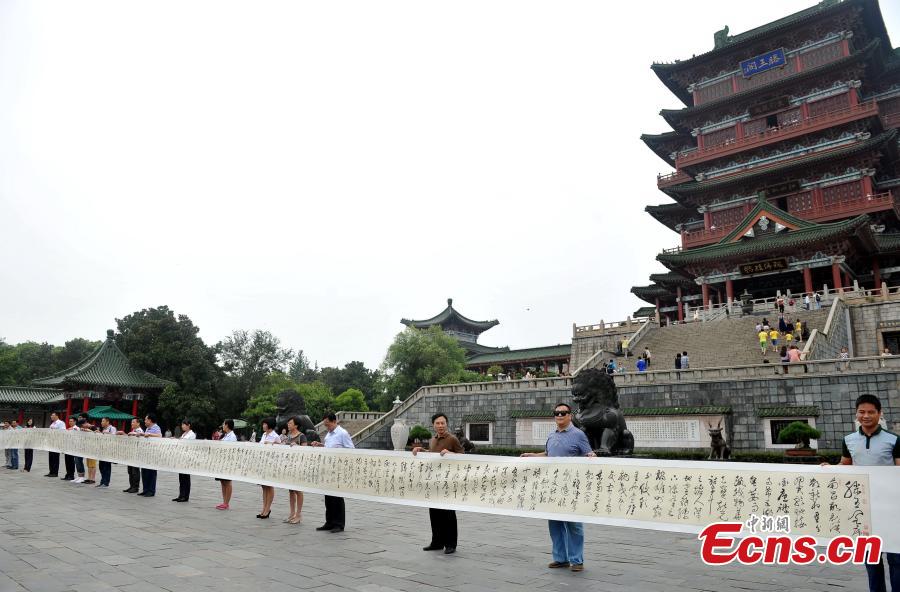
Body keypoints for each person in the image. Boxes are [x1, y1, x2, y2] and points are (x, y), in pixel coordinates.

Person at [823, 394, 899, 592]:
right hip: (863, 508)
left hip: (891, 508)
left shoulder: (894, 440)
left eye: (871, 412)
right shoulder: (849, 440)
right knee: (871, 558)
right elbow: (845, 465)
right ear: (856, 414)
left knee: (896, 558)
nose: (866, 416)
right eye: (861, 412)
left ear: (879, 414)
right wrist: (829, 469)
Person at [521, 403, 596, 572]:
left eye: (563, 413)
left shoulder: (578, 435)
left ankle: (577, 560)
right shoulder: (552, 435)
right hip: (552, 486)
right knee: (555, 524)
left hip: (572, 488)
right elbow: (548, 455)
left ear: (570, 415)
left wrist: (591, 456)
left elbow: (588, 454)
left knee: (574, 525)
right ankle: (560, 558)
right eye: (557, 413)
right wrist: (532, 456)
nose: (559, 416)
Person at [413, 413, 465, 554]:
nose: (440, 426)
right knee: (434, 513)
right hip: (434, 482)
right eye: (438, 423)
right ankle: (437, 542)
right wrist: (421, 450)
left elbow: (463, 456)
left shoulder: (452, 439)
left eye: (443, 423)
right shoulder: (432, 440)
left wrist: (450, 454)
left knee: (448, 514)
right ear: (433, 425)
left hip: (448, 482)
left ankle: (450, 544)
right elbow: (432, 455)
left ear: (447, 424)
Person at [311, 412, 354, 532]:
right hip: (327, 469)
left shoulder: (342, 433)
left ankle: (339, 524)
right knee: (328, 497)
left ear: (334, 421)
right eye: (325, 425)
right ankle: (329, 522)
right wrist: (320, 445)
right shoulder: (328, 435)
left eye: (328, 424)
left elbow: (351, 450)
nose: (327, 427)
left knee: (337, 497)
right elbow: (328, 449)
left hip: (338, 469)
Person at [283, 416, 307, 524]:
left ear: (296, 425)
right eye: (288, 423)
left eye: (290, 423)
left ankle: (298, 514)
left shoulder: (302, 436)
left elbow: (305, 451)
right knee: (291, 491)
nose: (288, 425)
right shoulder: (288, 436)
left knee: (298, 490)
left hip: (298, 467)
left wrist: (297, 446)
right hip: (289, 466)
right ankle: (292, 513)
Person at [257, 418, 280, 519]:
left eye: (265, 424)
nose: (263, 425)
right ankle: (264, 507)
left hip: (271, 464)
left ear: (269, 425)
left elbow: (280, 448)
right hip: (262, 463)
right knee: (264, 486)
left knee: (269, 486)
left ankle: (268, 508)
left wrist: (271, 444)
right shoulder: (264, 434)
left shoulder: (275, 436)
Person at [170, 419, 196, 502]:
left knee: (186, 478)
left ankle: (185, 496)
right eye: (182, 425)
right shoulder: (184, 434)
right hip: (181, 457)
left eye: (184, 424)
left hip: (187, 458)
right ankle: (181, 495)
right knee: (181, 477)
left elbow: (187, 444)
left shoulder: (192, 434)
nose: (182, 426)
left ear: (189, 425)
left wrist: (178, 441)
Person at [138, 413, 162, 497]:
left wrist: (150, 434)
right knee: (144, 472)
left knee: (151, 473)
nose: (144, 421)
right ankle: (145, 489)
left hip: (153, 454)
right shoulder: (148, 428)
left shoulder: (156, 427)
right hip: (146, 453)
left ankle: (151, 491)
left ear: (150, 420)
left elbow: (159, 436)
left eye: (145, 419)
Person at [216, 419, 238, 510]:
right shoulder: (225, 435)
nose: (223, 426)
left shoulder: (232, 436)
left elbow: (232, 450)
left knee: (227, 482)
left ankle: (226, 503)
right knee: (222, 482)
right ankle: (224, 501)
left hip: (228, 462)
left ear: (227, 425)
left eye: (224, 424)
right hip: (221, 461)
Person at [122, 418, 143, 493]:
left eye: (133, 422)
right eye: (131, 422)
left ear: (138, 423)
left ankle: (135, 487)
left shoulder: (139, 431)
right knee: (130, 471)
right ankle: (131, 486)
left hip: (136, 454)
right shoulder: (133, 431)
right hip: (131, 453)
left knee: (135, 471)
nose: (132, 424)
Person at [94, 417, 117, 487]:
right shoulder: (103, 429)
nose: (101, 423)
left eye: (103, 421)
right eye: (101, 421)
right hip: (102, 449)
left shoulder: (112, 428)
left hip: (109, 450)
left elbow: (114, 437)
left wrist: (107, 433)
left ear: (107, 422)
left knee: (106, 467)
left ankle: (106, 482)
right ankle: (102, 481)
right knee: (101, 466)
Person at [45, 412, 65, 477]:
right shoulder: (52, 423)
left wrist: (55, 430)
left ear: (57, 416)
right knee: (51, 457)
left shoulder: (61, 423)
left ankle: (55, 473)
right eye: (51, 415)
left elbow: (63, 432)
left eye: (53, 415)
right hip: (51, 442)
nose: (51, 416)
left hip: (57, 442)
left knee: (55, 457)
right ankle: (51, 471)